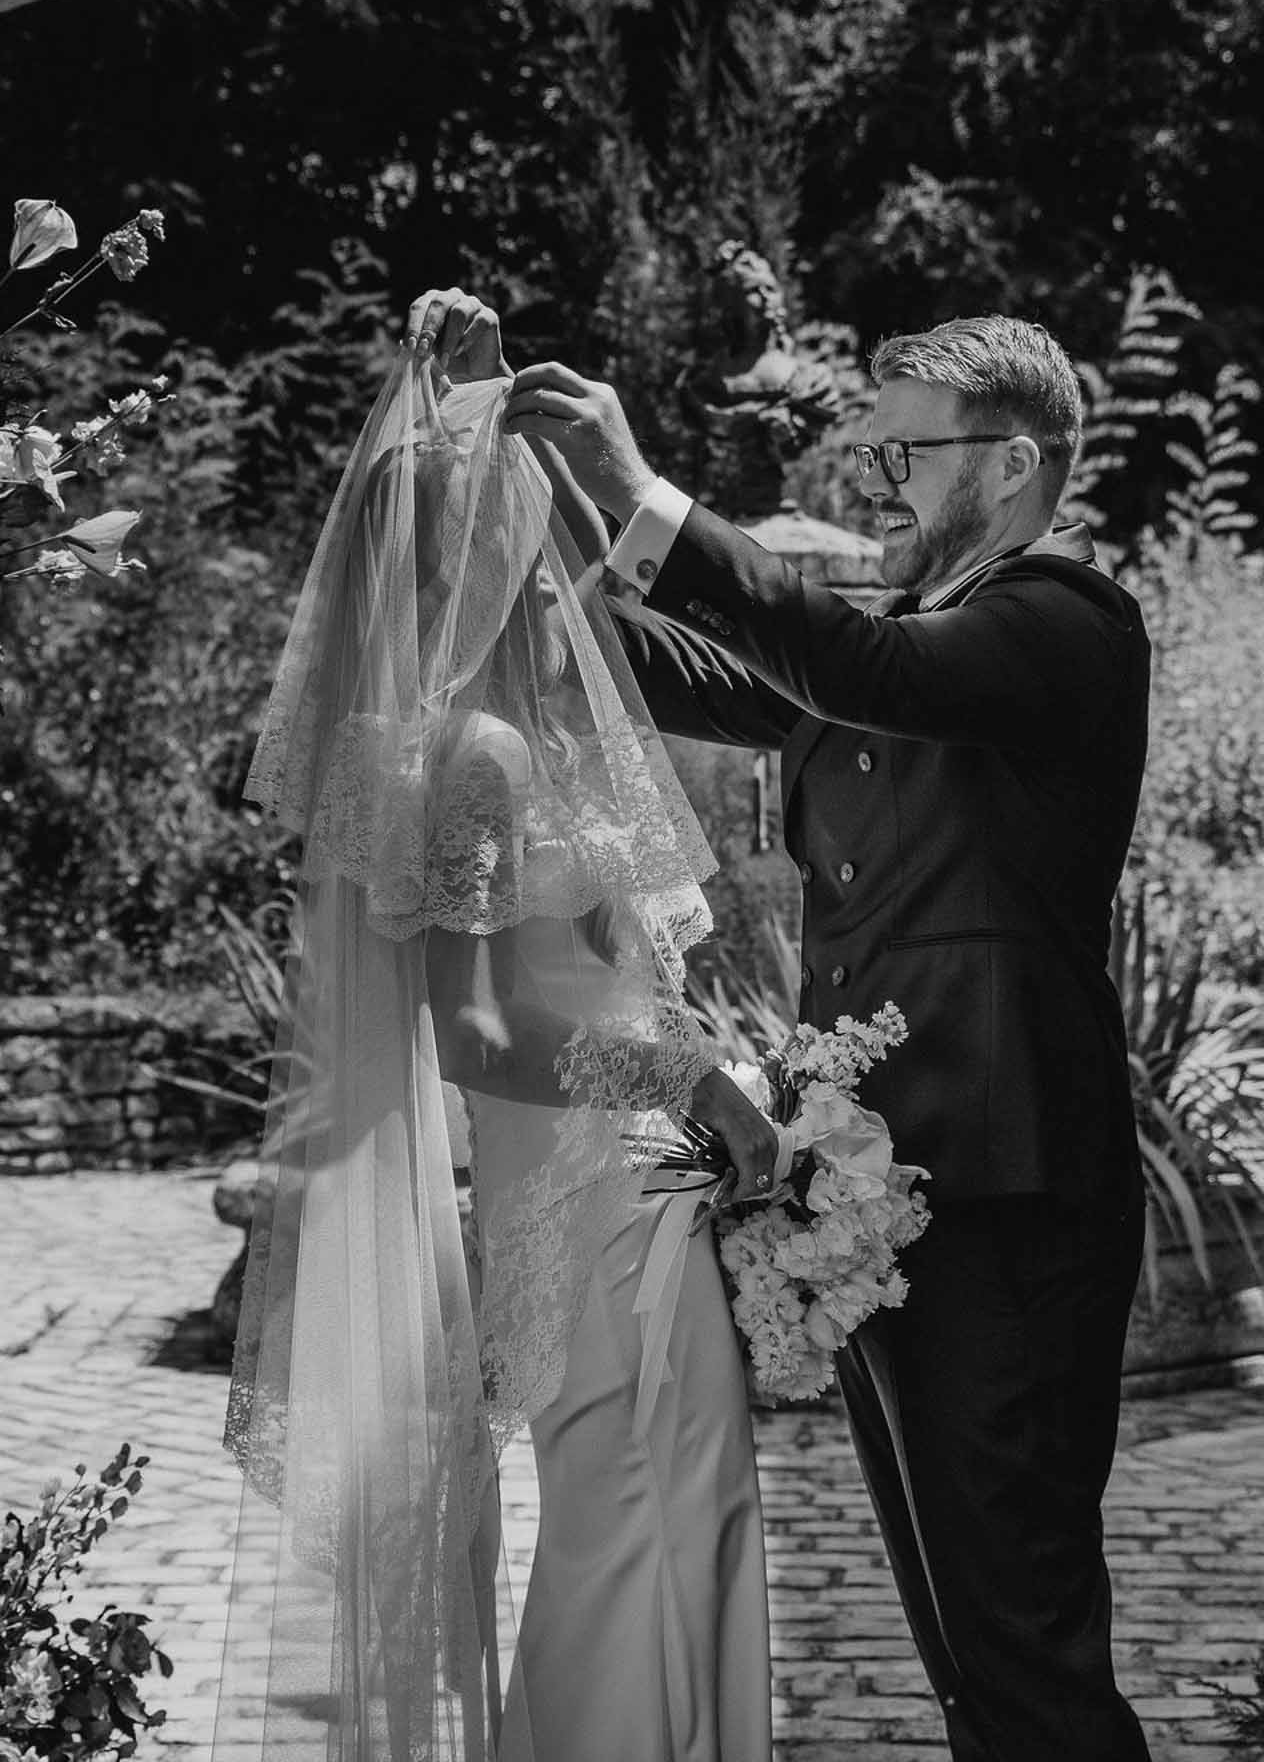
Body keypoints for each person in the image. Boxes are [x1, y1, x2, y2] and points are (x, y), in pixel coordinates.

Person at [405, 289, 1155, 1762]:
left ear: (1010, 465)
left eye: (909, 455)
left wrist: (640, 483)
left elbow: (849, 670)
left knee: (1020, 1629)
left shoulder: (1063, 623)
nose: (882, 483)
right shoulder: (901, 645)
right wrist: (518, 468)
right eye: (877, 454)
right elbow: (657, 664)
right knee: (958, 1635)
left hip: (1009, 1184)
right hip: (886, 1191)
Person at [216, 345, 777, 1762]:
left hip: (621, 1164)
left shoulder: (504, 724)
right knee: (637, 1495)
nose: (548, 567)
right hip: (584, 1181)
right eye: (520, 529)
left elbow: (585, 964)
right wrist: (690, 1079)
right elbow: (469, 1032)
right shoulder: (473, 752)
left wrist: (477, 384)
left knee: (667, 1486)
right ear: (473, 555)